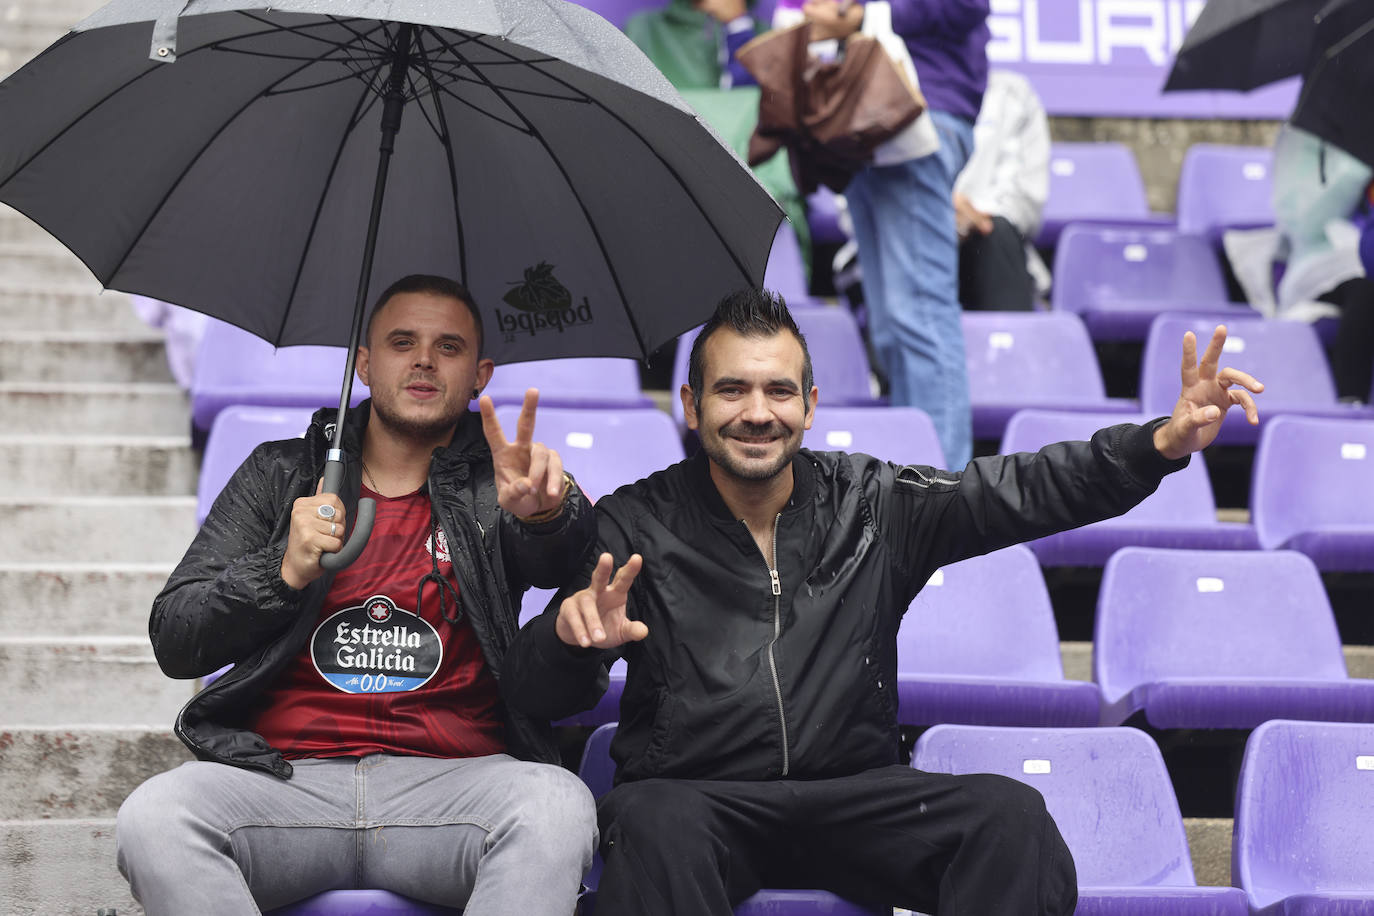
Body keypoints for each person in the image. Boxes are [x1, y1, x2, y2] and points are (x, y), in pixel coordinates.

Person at [502, 289, 1263, 916]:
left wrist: (1156, 445)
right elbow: (537, 691)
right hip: (697, 800)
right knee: (651, 823)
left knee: (1010, 823)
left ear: (810, 404)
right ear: (691, 404)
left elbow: (1021, 491)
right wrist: (573, 644)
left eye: (778, 390)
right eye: (731, 389)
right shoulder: (637, 521)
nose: (757, 411)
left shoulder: (872, 502)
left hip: (857, 797)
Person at [115, 275, 599, 915]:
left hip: (456, 788)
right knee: (155, 816)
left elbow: (566, 560)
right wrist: (280, 570)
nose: (424, 359)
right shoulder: (278, 473)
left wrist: (545, 516)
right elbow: (176, 637)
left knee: (558, 805)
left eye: (448, 346)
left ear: (480, 374)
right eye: (403, 342)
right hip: (285, 785)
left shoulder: (502, 487)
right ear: (364, 365)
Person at [804, 0, 990, 468]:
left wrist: (864, 15)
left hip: (915, 118)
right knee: (891, 325)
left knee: (919, 317)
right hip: (869, 122)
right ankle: (916, 477)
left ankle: (943, 489)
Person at [952, 68, 1051, 312]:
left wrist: (968, 216)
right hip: (906, 242)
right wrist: (936, 209)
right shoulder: (882, 81)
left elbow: (1027, 200)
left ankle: (1009, 346)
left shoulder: (1013, 93)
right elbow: (856, 206)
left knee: (998, 235)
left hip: (983, 244)